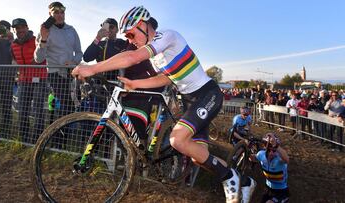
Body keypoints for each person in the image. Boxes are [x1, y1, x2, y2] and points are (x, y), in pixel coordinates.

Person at [72, 6, 255, 202]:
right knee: (198, 156)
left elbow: (132, 58)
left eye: (131, 34)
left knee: (177, 140)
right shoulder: (157, 57)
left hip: (207, 94)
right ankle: (245, 182)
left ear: (143, 25)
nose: (130, 40)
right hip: (189, 101)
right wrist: (135, 84)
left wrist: (93, 68)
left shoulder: (167, 36)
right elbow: (166, 79)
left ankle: (229, 177)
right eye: (127, 37)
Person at [34, 1, 83, 118]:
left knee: (72, 105)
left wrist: (74, 61)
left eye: (62, 12)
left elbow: (80, 52)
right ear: (49, 14)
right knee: (64, 105)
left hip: (71, 73)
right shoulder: (44, 31)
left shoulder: (71, 29)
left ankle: (65, 134)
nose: (60, 15)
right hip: (55, 74)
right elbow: (38, 59)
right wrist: (44, 39)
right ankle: (58, 135)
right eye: (56, 12)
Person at [11, 18, 48, 143]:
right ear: (14, 30)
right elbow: (14, 60)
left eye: (22, 27)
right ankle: (24, 139)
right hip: (23, 80)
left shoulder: (35, 40)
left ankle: (38, 140)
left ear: (27, 27)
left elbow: (43, 55)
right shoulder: (13, 44)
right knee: (23, 110)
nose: (20, 30)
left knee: (38, 110)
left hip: (40, 79)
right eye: (17, 28)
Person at [250, 133, 290, 203]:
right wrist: (246, 148)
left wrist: (276, 145)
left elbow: (287, 159)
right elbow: (253, 158)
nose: (271, 153)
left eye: (274, 150)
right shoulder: (261, 154)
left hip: (281, 192)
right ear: (265, 148)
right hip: (268, 189)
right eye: (269, 150)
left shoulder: (280, 159)